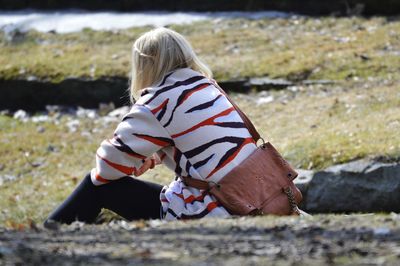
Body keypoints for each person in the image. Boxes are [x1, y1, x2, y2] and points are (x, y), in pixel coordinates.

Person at [45, 27, 258, 224]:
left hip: (215, 208)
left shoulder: (158, 101)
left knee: (96, 187)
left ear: (144, 64)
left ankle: (48, 236)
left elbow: (106, 168)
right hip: (253, 194)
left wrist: (136, 161)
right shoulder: (208, 86)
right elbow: (201, 145)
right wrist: (153, 154)